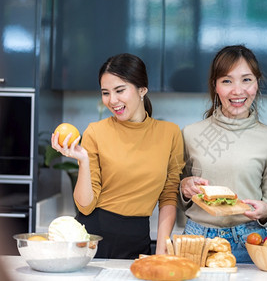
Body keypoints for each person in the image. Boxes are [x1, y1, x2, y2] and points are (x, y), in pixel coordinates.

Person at [51, 53, 184, 259]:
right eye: (106, 93)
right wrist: (83, 161)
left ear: (142, 89)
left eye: (120, 90)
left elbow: (168, 196)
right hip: (93, 237)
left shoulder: (170, 133)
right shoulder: (95, 132)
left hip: (139, 237)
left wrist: (161, 250)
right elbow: (85, 205)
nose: (112, 101)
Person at [178, 45, 267, 263]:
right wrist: (184, 187)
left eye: (246, 80)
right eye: (227, 81)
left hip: (249, 242)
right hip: (196, 240)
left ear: (257, 84)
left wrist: (265, 211)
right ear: (215, 86)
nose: (238, 91)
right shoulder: (190, 134)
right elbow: (179, 197)